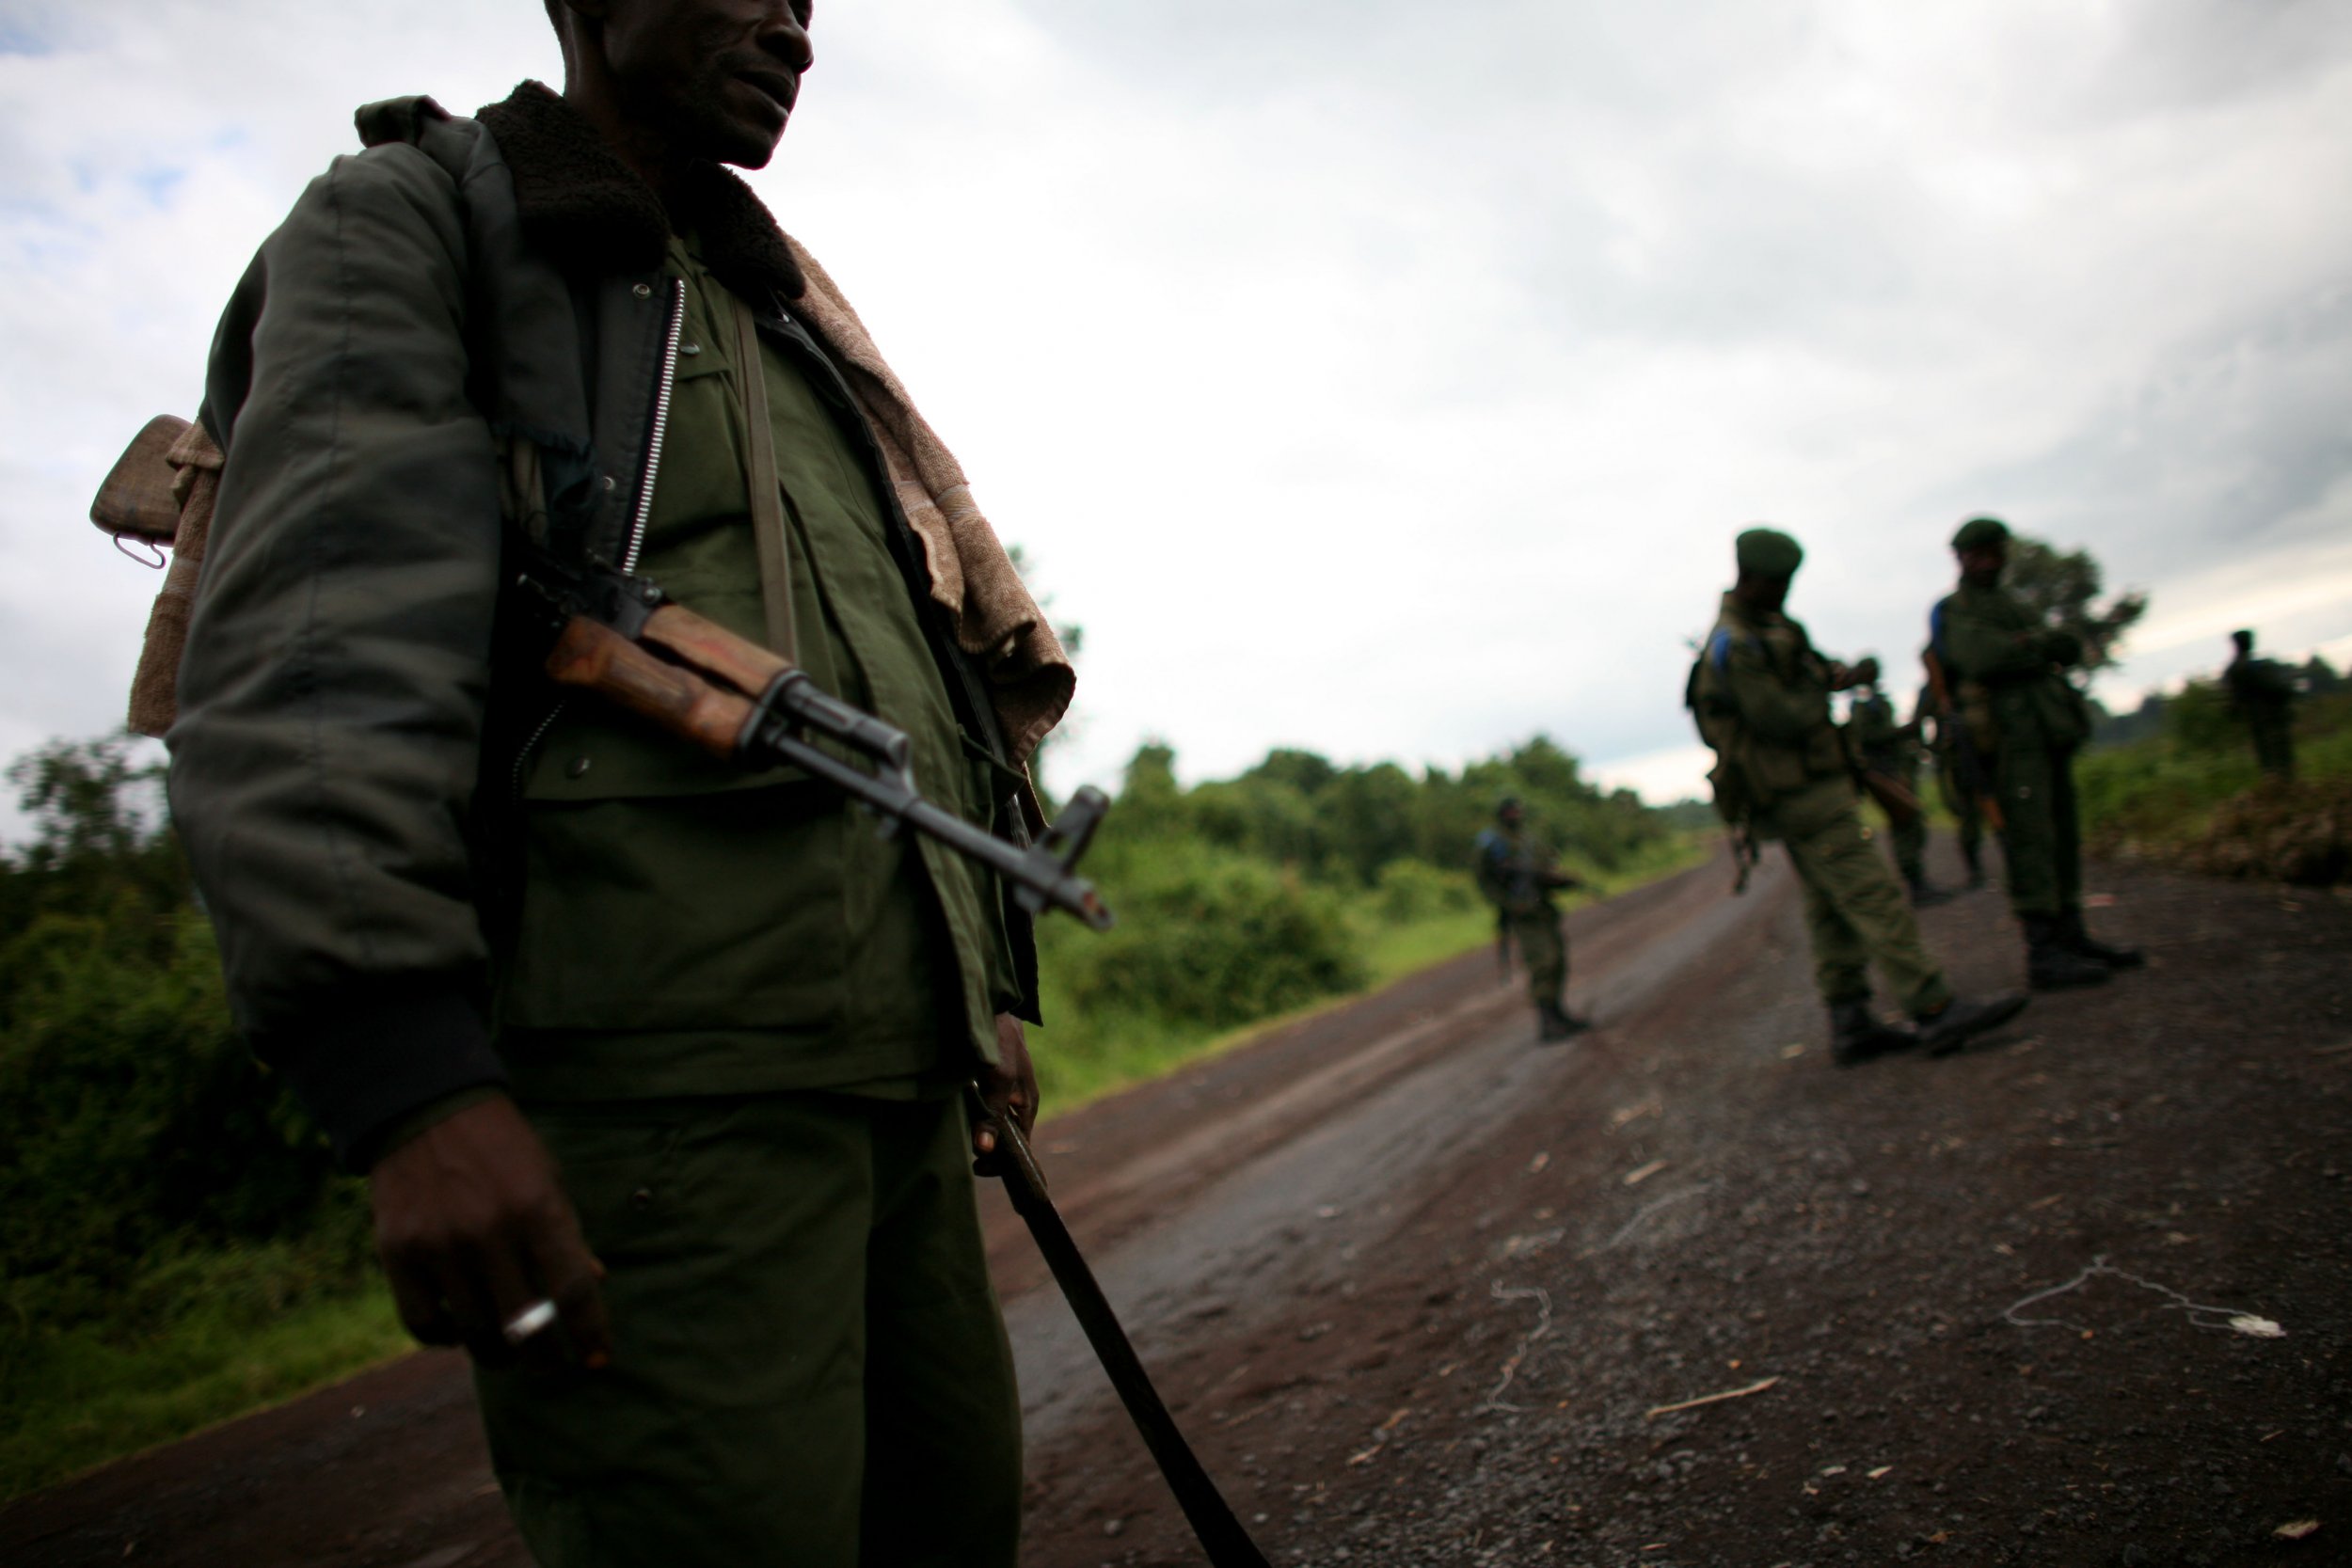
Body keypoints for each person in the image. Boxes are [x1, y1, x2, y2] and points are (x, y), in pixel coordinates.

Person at [167, 4, 1074, 1562]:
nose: (794, 27)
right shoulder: (422, 223)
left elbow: (899, 674)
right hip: (654, 1121)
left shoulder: (785, 314)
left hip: (896, 1098)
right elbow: (321, 649)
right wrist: (407, 1080)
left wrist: (973, 978)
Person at [1688, 528, 2026, 1065]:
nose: (1783, 592)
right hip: (1798, 790)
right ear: (1749, 578)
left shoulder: (1772, 628)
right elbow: (1779, 717)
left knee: (1831, 908)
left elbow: (1810, 673)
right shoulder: (1735, 644)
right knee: (1871, 893)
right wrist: (1820, 689)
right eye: (1776, 583)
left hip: (1810, 784)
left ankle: (1851, 1021)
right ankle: (1932, 1006)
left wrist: (1839, 675)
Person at [1931, 516, 2141, 990]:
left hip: (2047, 733)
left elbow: (2066, 646)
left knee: (2062, 834)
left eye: (1995, 552)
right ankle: (2043, 952)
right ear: (1961, 558)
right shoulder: (1954, 610)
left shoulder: (2010, 604)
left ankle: (2073, 936)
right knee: (2030, 841)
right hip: (2009, 744)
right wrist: (2036, 647)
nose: (1988, 562)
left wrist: (2028, 644)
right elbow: (1982, 658)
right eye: (1978, 554)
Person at [1475, 797, 1588, 1041]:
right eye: (1510, 811)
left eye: (1517, 810)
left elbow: (1545, 868)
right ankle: (1547, 1023)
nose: (1515, 814)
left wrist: (1560, 881)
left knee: (1557, 960)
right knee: (1543, 962)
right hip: (1523, 914)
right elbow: (1485, 882)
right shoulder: (1493, 843)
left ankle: (1558, 1014)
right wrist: (1510, 904)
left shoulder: (1529, 839)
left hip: (1543, 909)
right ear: (1502, 813)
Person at [1844, 673, 1944, 906]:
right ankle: (1915, 884)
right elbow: (1868, 737)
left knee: (1910, 823)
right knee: (1904, 823)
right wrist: (1899, 733)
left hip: (1890, 768)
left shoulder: (1872, 701)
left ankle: (1919, 881)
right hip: (1882, 772)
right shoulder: (1863, 704)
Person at [1917, 671, 1991, 889]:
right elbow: (1918, 721)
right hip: (1957, 760)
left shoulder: (1969, 678)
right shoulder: (1934, 691)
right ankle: (1975, 867)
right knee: (1967, 813)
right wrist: (1936, 748)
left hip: (1982, 751)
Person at [2222, 628, 2299, 780]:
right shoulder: (2254, 666)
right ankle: (2286, 782)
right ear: (2247, 643)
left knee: (2264, 751)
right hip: (2270, 714)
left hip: (2253, 717)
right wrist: (2287, 691)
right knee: (2280, 749)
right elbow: (2271, 686)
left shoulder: (2232, 670)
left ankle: (2271, 781)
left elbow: (2232, 699)